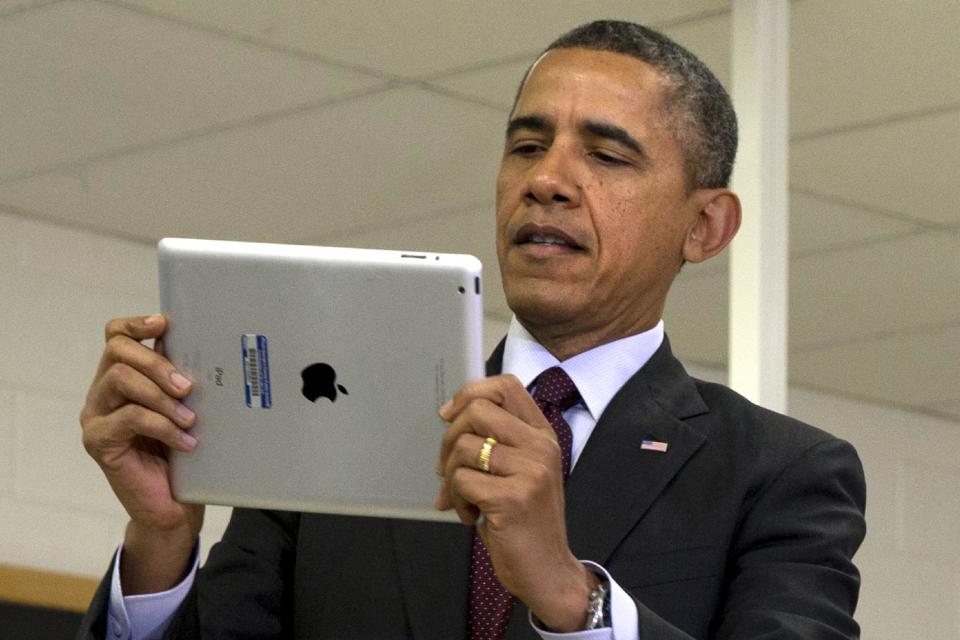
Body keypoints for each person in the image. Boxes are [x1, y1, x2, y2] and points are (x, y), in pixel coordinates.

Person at [77, 20, 866, 640]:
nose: (546, 181)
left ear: (705, 226)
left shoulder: (783, 478)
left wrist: (568, 595)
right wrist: (160, 541)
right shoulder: (340, 429)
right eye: (527, 146)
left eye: (605, 156)